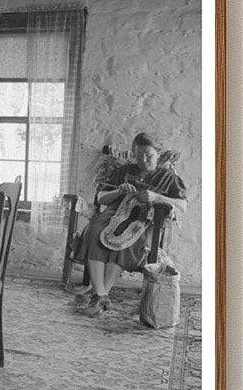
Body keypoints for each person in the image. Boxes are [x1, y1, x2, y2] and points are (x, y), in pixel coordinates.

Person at [72, 132, 187, 317]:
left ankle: (100, 295)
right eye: (138, 155)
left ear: (158, 153)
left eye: (148, 155)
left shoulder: (169, 178)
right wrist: (118, 191)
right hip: (114, 213)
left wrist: (156, 196)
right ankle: (100, 295)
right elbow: (101, 197)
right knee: (93, 231)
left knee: (129, 241)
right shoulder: (123, 171)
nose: (143, 159)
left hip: (144, 221)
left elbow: (182, 205)